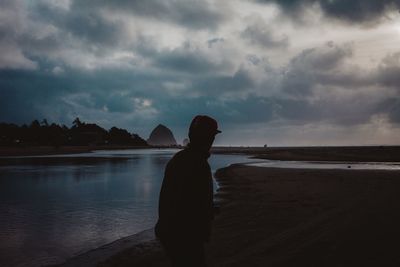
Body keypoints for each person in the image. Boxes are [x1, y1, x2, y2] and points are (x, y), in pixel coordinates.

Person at [155, 115, 221, 267]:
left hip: (171, 231)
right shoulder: (198, 164)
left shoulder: (179, 159)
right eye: (211, 136)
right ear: (207, 138)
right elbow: (192, 205)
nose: (212, 141)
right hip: (184, 234)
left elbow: (177, 197)